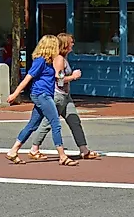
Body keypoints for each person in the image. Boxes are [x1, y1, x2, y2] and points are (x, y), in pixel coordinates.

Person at [5, 34, 77, 166]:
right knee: (55, 122)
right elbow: (28, 77)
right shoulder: (40, 61)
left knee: (33, 125)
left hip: (45, 94)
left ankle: (13, 150)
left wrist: (62, 71)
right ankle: (62, 156)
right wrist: (15, 94)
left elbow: (59, 78)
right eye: (55, 45)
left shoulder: (51, 61)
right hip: (41, 94)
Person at [27, 33, 99, 161]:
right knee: (48, 123)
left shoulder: (64, 58)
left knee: (74, 121)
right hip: (57, 96)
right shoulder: (59, 59)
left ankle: (84, 149)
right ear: (66, 44)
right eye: (71, 42)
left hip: (66, 96)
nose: (73, 44)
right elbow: (59, 80)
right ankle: (34, 148)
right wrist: (73, 76)